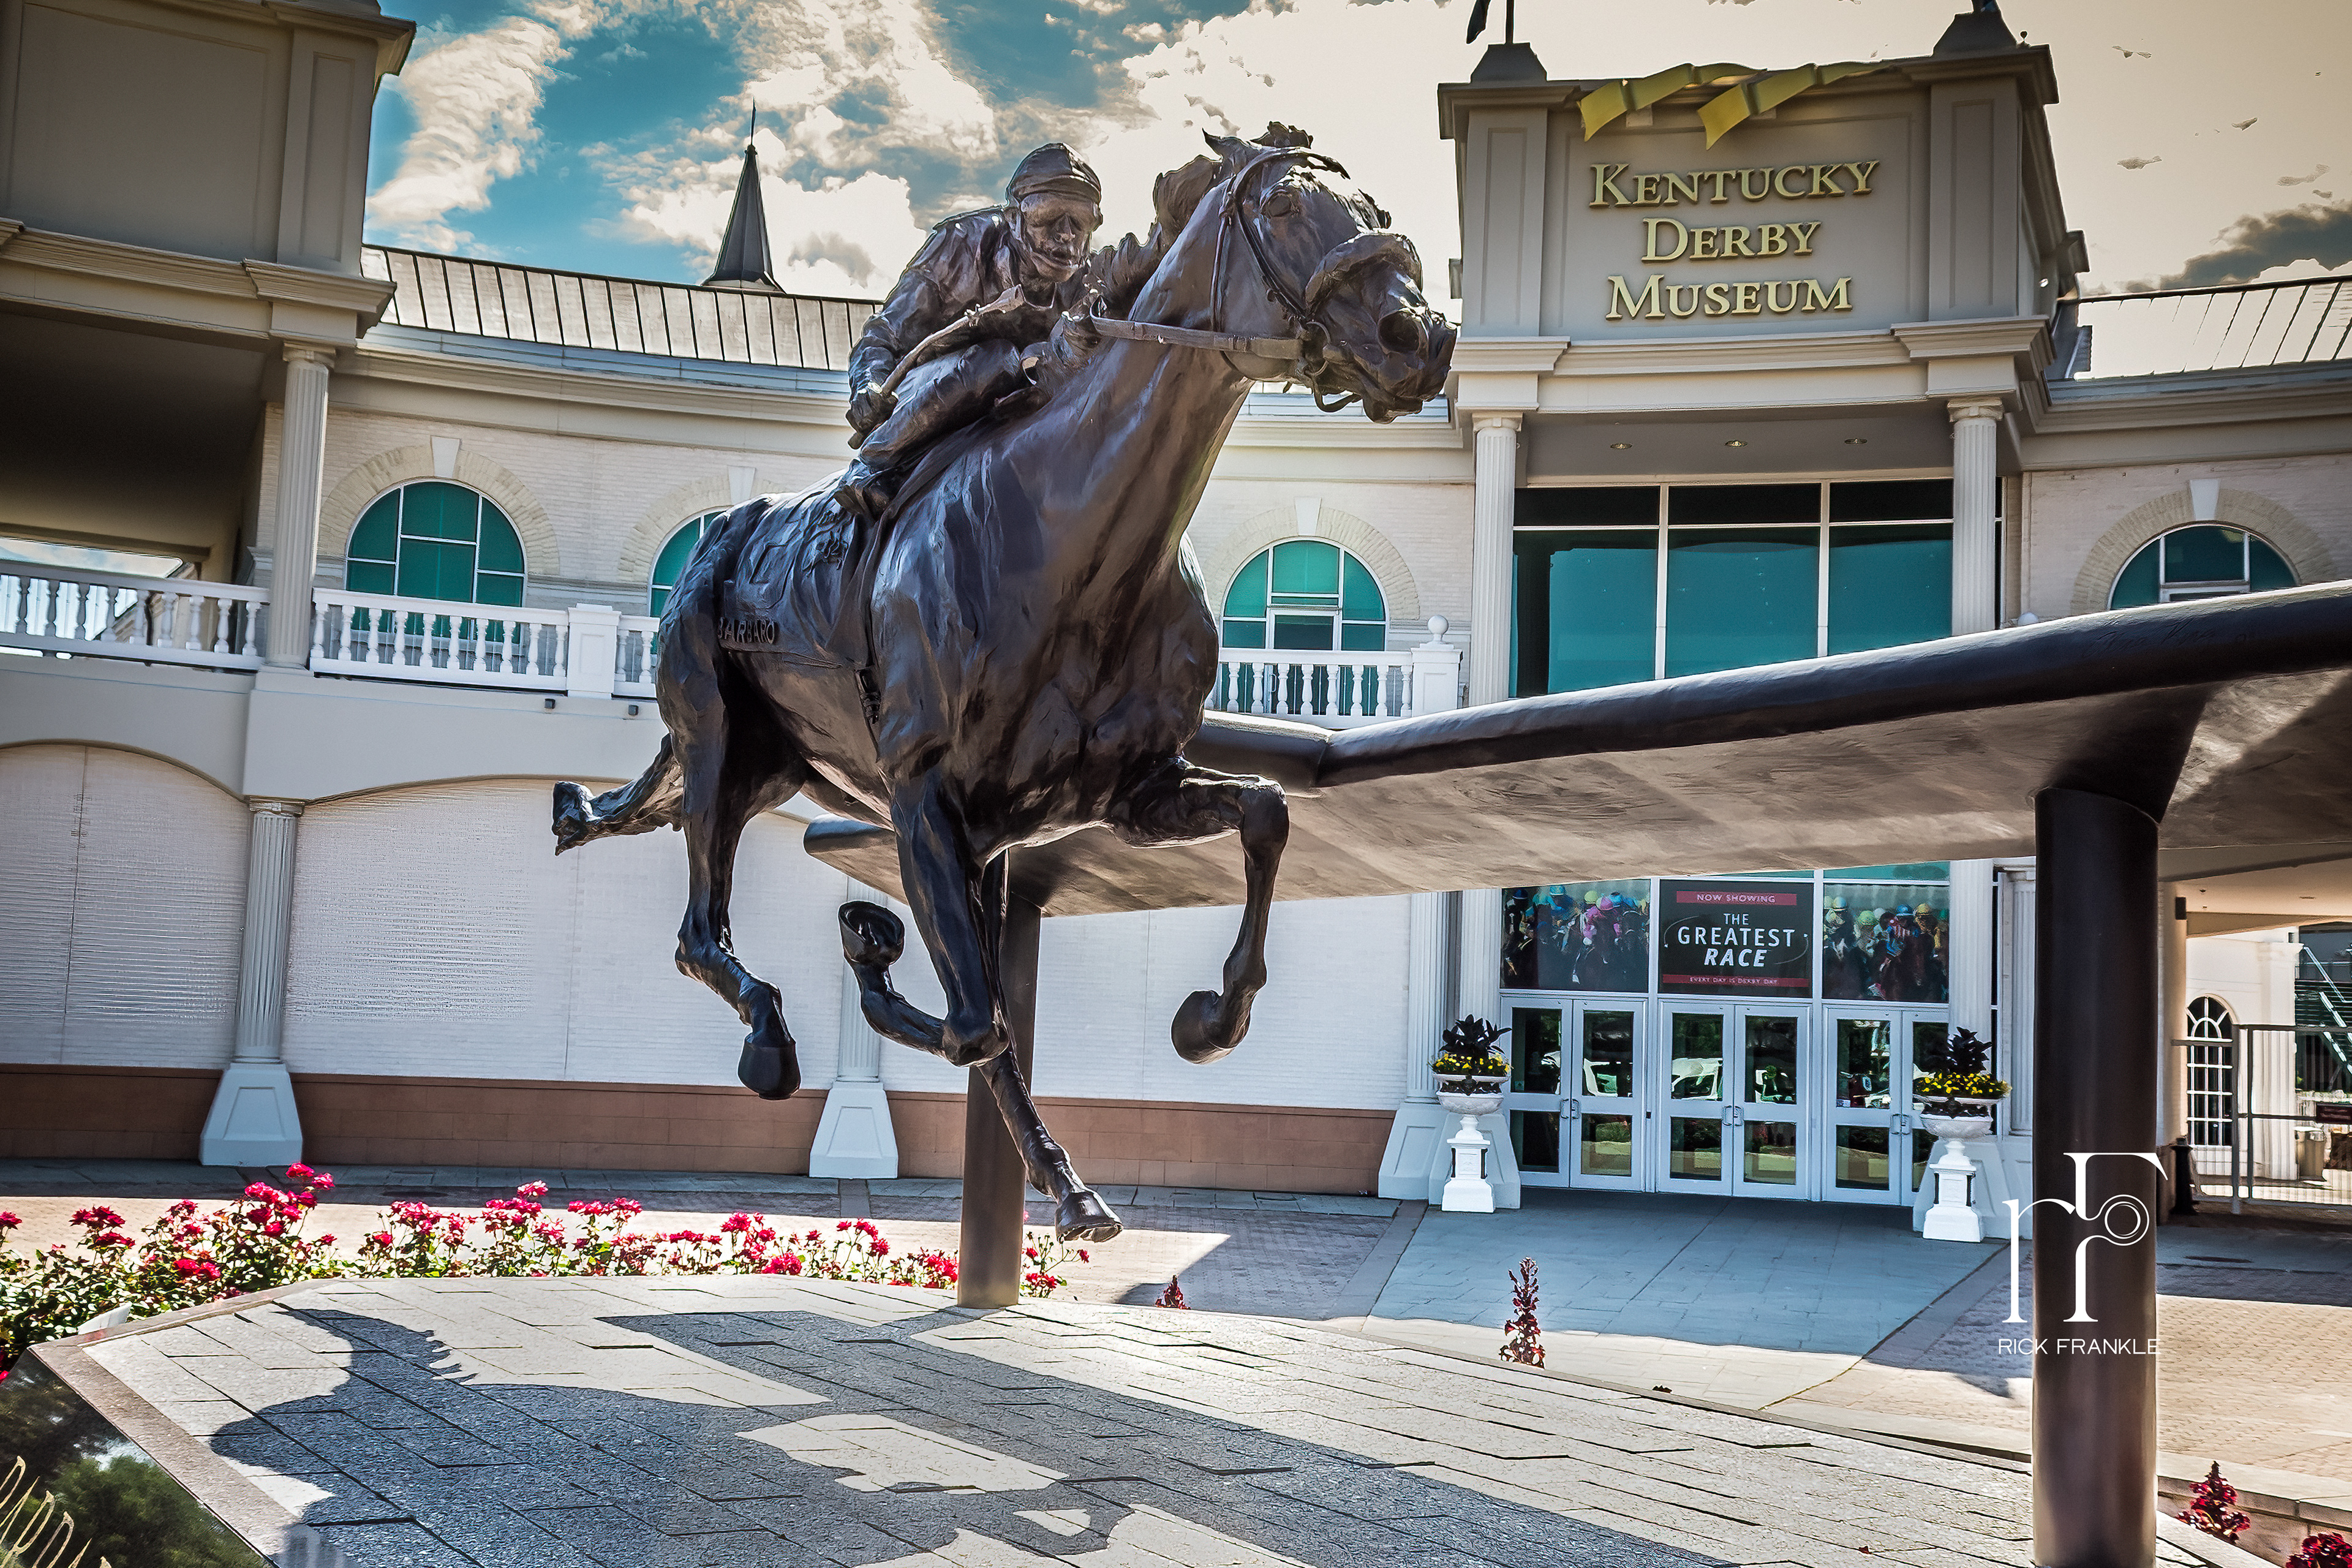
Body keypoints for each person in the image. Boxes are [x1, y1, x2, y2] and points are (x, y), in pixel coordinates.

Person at [833, 143, 1111, 522]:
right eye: (1050, 217)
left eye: (1080, 222)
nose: (1066, 236)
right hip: (922, 394)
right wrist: (867, 385)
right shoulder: (960, 245)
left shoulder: (1088, 281)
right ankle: (874, 465)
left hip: (1014, 409)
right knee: (996, 358)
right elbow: (885, 335)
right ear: (1014, 217)